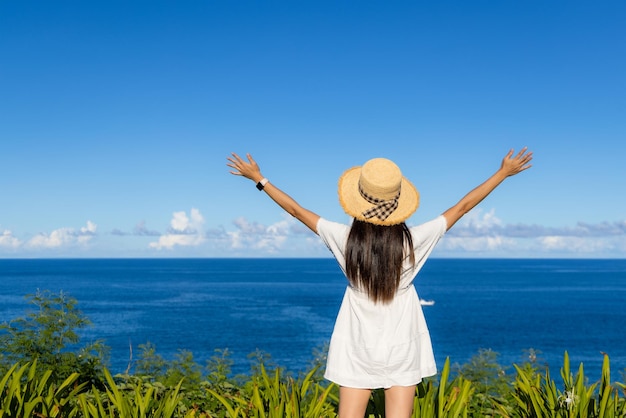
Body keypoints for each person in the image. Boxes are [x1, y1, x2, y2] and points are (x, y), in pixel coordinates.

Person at [227, 148, 533, 418]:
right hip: (403, 345)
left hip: (356, 344)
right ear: (398, 201)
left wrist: (260, 179)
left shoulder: (345, 239)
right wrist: (503, 173)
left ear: (359, 199)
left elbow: (295, 211)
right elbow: (463, 206)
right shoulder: (414, 241)